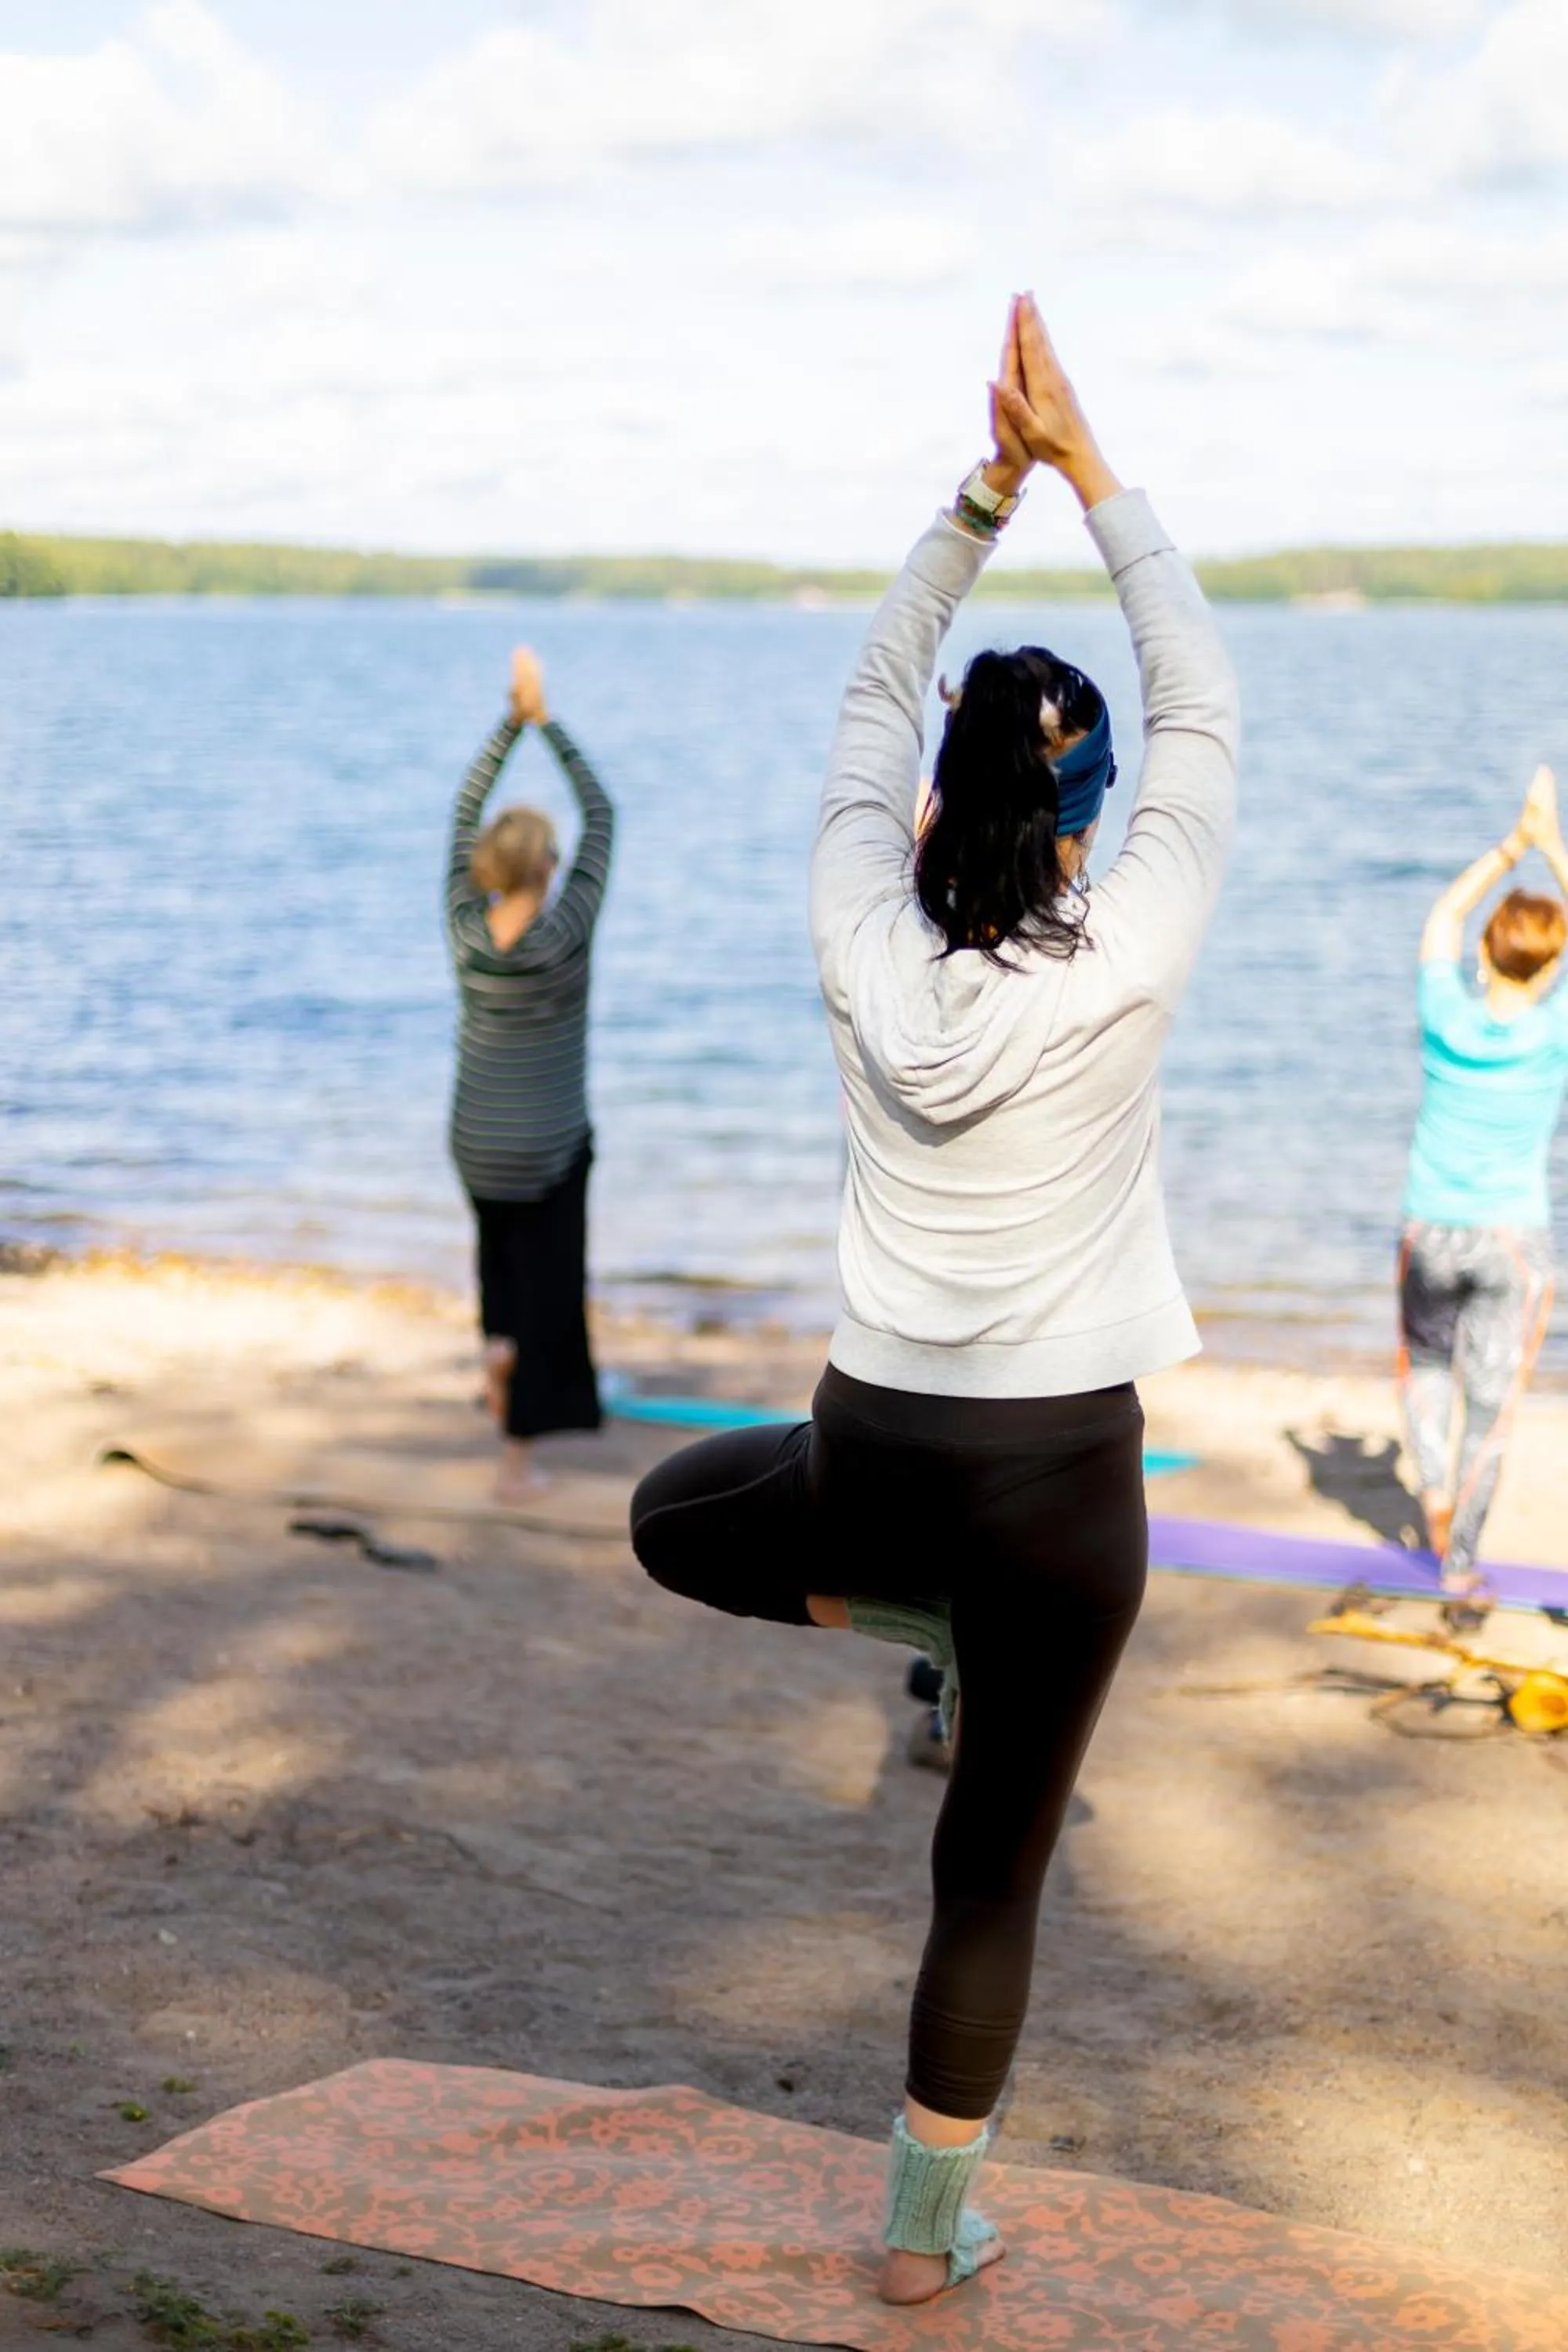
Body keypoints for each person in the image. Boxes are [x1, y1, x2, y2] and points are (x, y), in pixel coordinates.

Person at [630, 294, 1239, 2305]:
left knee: (666, 1519)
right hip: (1065, 1493)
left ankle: (906, 1611)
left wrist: (979, 490)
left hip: (874, 1448)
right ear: (1086, 819)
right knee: (989, 1862)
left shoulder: (853, 935)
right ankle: (920, 2241)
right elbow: (1203, 700)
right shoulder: (1130, 952)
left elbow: (865, 694)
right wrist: (1085, 466)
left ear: (927, 804)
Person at [445, 647, 615, 1501]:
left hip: (477, 1145)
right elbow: (603, 811)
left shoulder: (464, 932)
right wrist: (545, 721)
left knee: (497, 1260)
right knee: (549, 1287)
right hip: (547, 1151)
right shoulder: (566, 935)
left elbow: (461, 813)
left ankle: (494, 1346)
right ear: (545, 868)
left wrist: (505, 724)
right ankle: (516, 1461)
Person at [1399, 763, 1568, 1599]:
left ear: (1483, 953)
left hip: (1427, 1225)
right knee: (1491, 1407)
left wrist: (1511, 847)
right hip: (1512, 1238)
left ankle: (1430, 1488)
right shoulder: (1552, 1032)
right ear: (1548, 971)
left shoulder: (1445, 1011)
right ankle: (1457, 1566)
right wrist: (1552, 841)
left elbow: (1441, 915)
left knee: (1428, 1365)